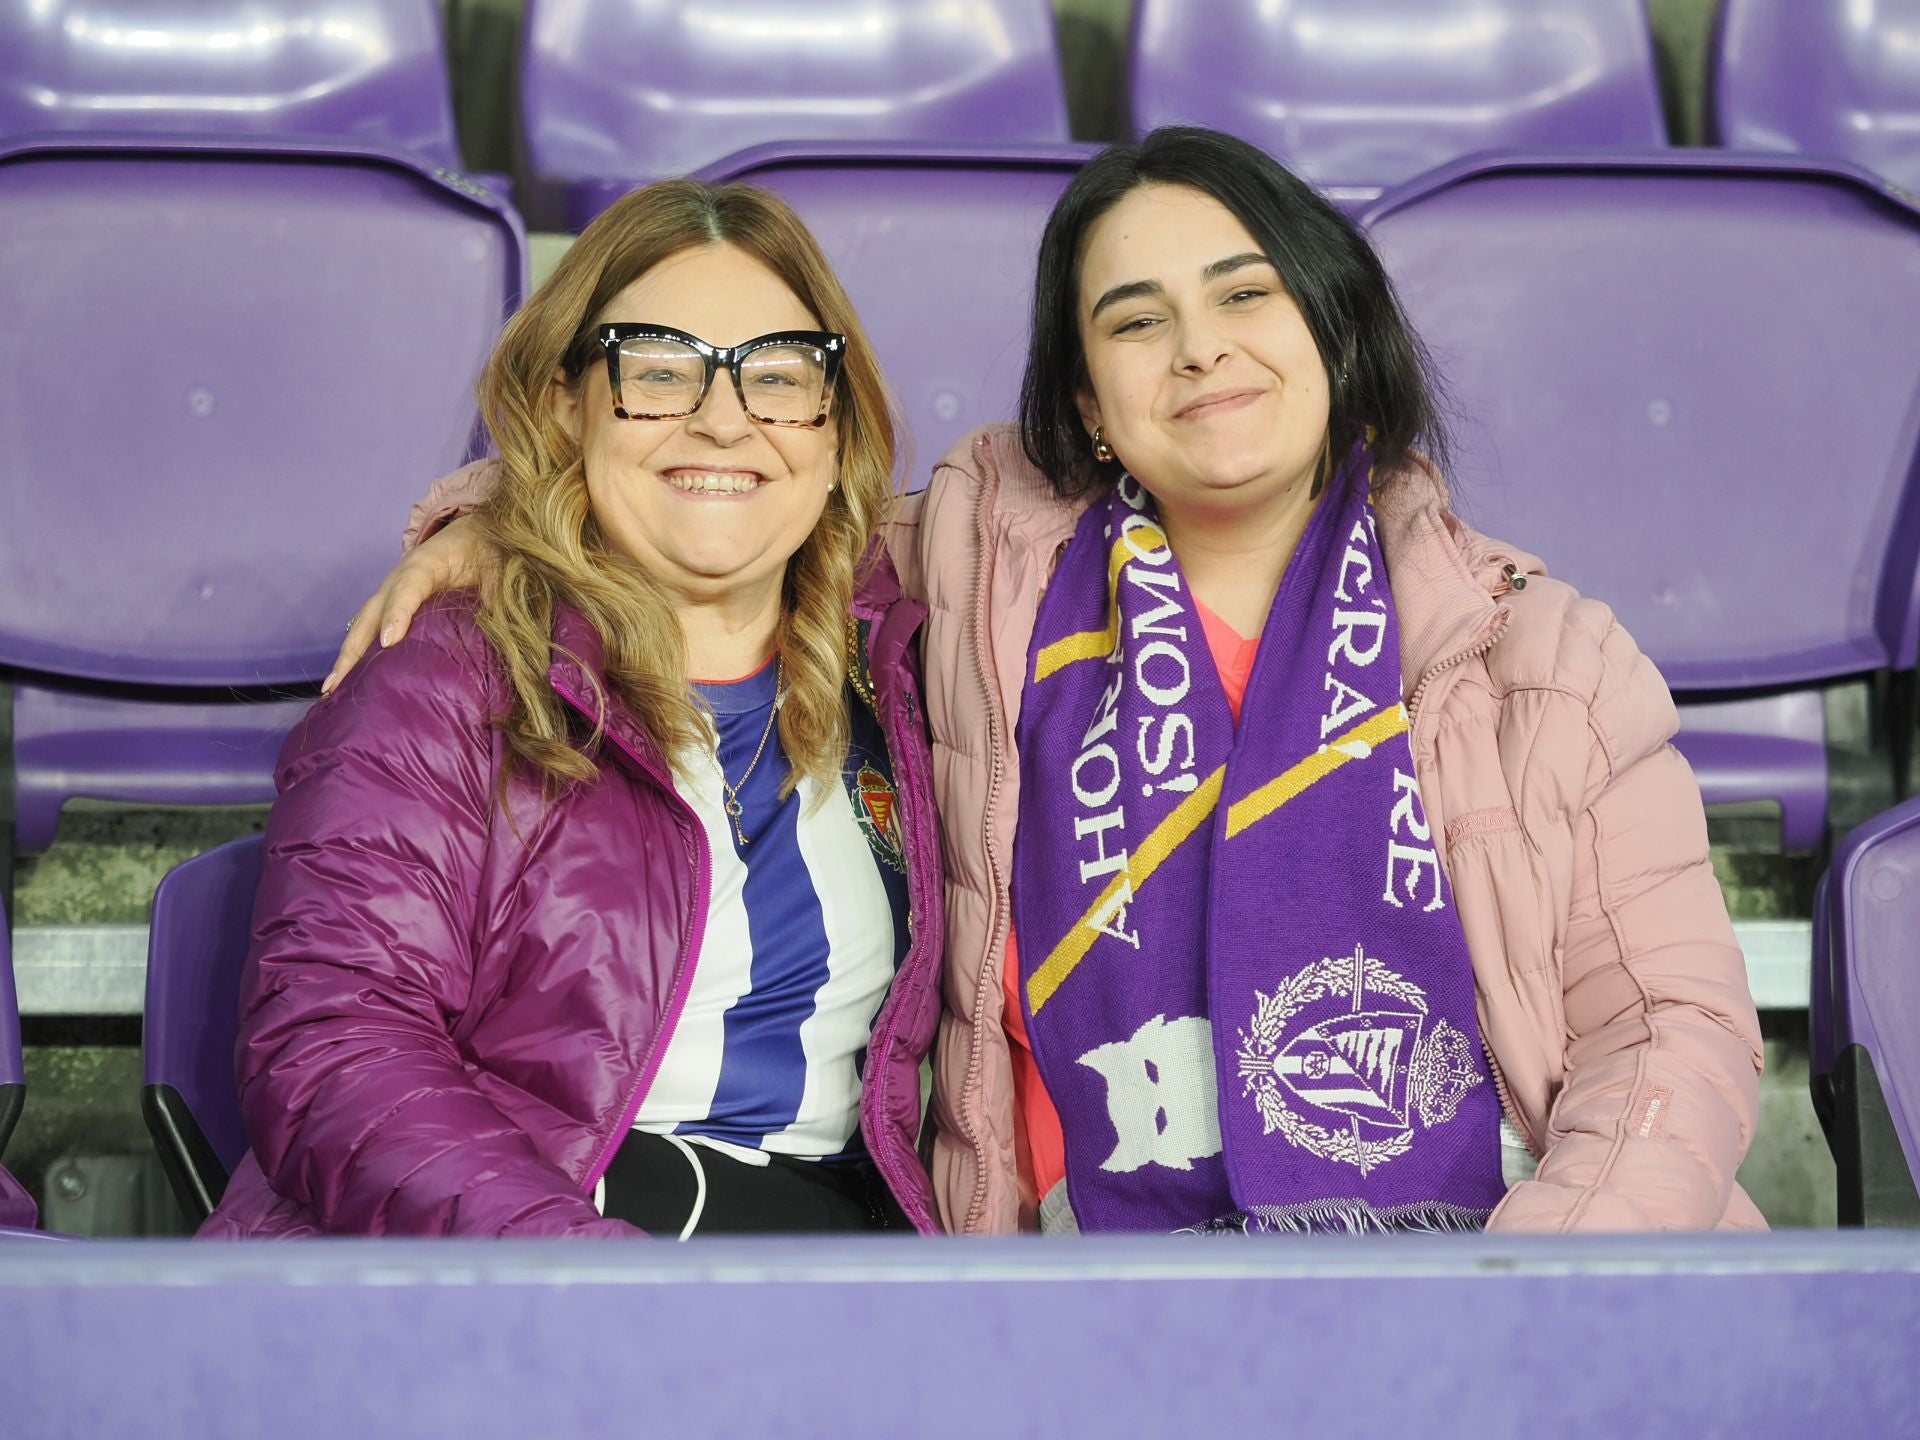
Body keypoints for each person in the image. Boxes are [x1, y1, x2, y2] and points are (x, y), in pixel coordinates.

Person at [336, 128, 1766, 1235]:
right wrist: (490, 517)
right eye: (1135, 320)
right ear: (1086, 399)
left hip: (1496, 1253)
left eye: (1247, 294)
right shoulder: (980, 572)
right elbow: (729, 491)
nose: (1200, 346)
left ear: (1338, 335)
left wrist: (1536, 1296)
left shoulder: (1546, 661)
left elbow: (1673, 1035)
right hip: (1088, 1290)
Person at [203, 178, 944, 1239]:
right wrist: (586, 1279)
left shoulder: (908, 663)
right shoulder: (444, 677)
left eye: (778, 377)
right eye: (658, 371)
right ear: (566, 404)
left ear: (834, 428)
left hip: (824, 1276)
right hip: (518, 1274)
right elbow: (333, 1047)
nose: (723, 419)